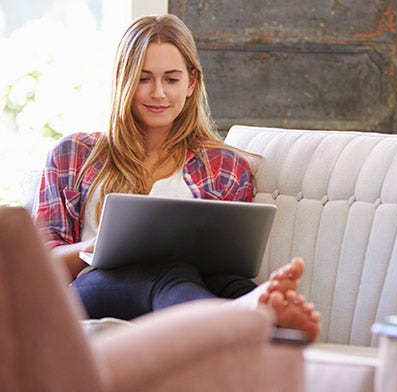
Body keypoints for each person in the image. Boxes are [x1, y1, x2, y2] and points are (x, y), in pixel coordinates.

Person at [35, 14, 320, 341]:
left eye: (171, 79)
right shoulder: (74, 154)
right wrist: (98, 246)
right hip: (93, 288)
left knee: (229, 283)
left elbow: (227, 261)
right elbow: (42, 269)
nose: (158, 93)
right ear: (123, 80)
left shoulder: (223, 167)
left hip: (189, 284)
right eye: (144, 79)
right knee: (170, 271)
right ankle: (239, 319)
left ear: (191, 83)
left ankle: (265, 315)